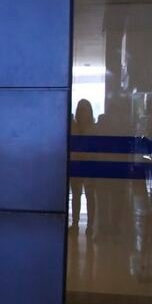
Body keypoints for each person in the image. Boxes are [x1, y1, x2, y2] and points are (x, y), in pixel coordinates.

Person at [70, 99, 97, 237]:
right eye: (81, 110)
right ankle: (75, 223)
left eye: (84, 110)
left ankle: (90, 225)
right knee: (76, 196)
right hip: (76, 164)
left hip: (88, 165)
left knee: (89, 196)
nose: (82, 113)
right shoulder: (74, 127)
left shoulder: (93, 129)